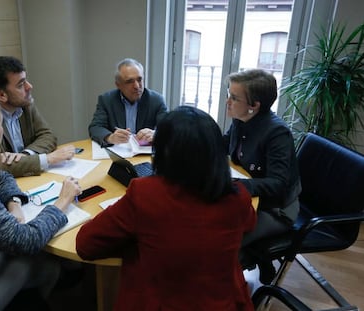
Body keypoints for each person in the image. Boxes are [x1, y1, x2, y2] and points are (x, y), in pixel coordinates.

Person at [77, 106, 256, 310]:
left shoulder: (146, 194)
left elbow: (85, 244)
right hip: (222, 302)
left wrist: (138, 239)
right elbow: (248, 223)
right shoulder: (238, 195)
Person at [0, 89, 82, 310]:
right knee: (38, 263)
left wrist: (14, 202)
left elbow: (2, 175)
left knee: (47, 267)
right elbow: (25, 240)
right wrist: (63, 201)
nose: (1, 131)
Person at [223, 69, 301, 283]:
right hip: (251, 199)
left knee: (221, 238)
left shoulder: (277, 134)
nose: (228, 101)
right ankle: (258, 261)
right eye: (228, 94)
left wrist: (237, 185)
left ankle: (232, 278)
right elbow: (223, 144)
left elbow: (278, 185)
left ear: (254, 105)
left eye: (234, 98)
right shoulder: (242, 119)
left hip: (276, 209)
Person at [0, 56, 76, 178]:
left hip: (28, 179)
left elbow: (48, 136)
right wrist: (48, 159)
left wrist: (25, 155)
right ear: (1, 94)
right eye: (20, 85)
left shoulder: (26, 105)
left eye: (26, 80)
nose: (29, 86)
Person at [88, 58, 167, 146]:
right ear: (118, 85)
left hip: (144, 154)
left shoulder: (156, 100)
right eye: (130, 82)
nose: (137, 86)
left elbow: (169, 129)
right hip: (117, 153)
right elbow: (95, 127)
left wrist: (155, 134)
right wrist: (110, 137)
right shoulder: (107, 100)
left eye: (139, 79)